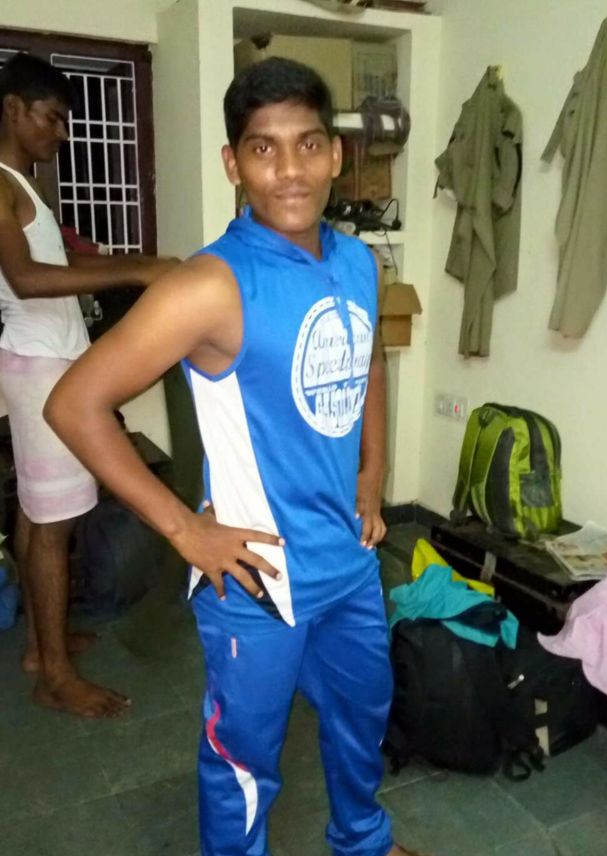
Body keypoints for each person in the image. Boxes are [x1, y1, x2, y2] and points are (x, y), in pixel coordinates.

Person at [46, 57, 424, 856]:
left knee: (362, 718)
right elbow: (74, 405)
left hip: (349, 560)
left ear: (336, 155)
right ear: (233, 163)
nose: (289, 170)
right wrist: (185, 530)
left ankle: (362, 839)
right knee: (244, 764)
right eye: (263, 148)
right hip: (259, 576)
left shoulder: (359, 262)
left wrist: (372, 474)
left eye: (308, 144)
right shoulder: (209, 285)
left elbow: (370, 361)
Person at [0, 52, 178, 718]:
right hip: (41, 370)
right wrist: (136, 270)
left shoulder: (21, 184)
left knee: (36, 514)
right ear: (13, 108)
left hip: (47, 364)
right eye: (51, 117)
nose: (61, 132)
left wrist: (119, 262)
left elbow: (50, 263)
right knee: (55, 527)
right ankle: (56, 677)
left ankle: (39, 648)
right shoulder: (0, 183)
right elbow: (26, 280)